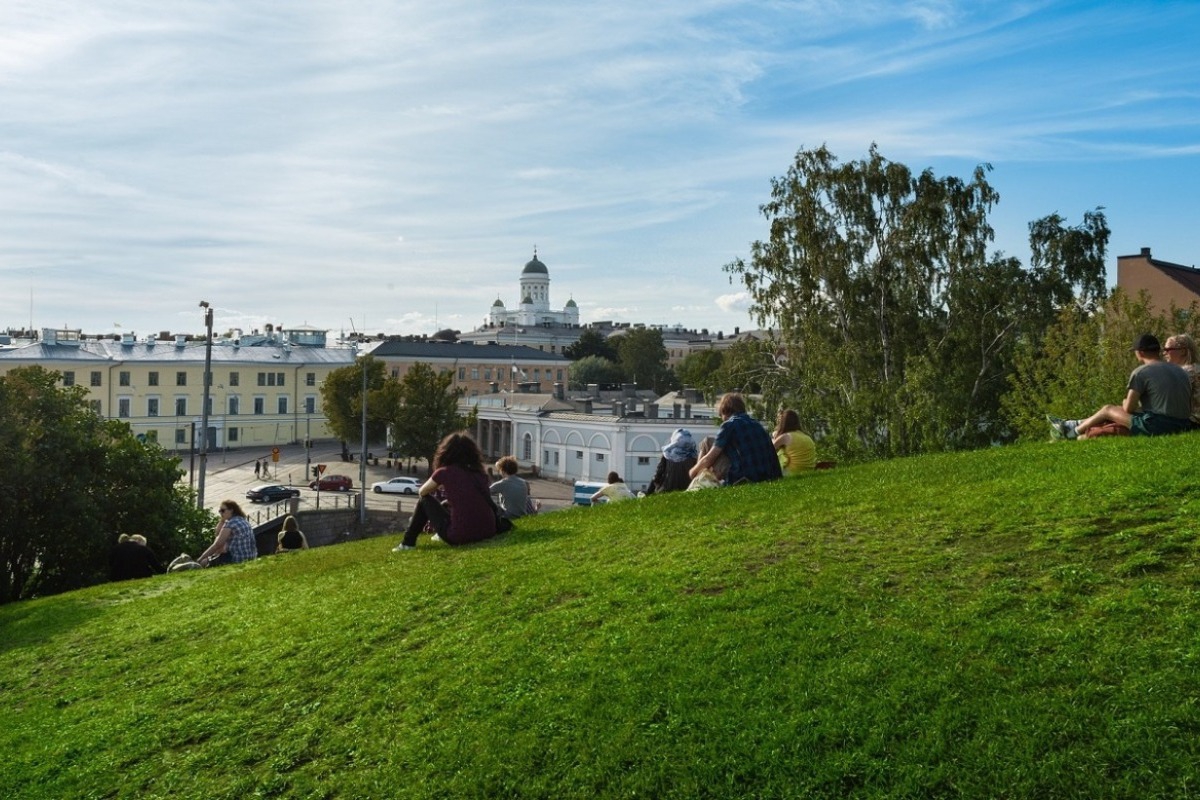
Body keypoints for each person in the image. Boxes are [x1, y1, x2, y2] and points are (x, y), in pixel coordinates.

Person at [1049, 333, 1192, 440]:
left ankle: (1070, 432)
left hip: (1158, 425)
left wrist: (1125, 402)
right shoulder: (1180, 370)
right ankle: (1073, 425)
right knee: (1117, 414)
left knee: (1108, 409)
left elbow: (1128, 408)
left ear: (1140, 352)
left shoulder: (1141, 372)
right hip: (1184, 425)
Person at [394, 432, 498, 551]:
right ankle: (438, 534)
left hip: (460, 536)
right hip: (488, 530)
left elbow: (422, 492)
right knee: (447, 503)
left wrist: (440, 484)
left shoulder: (445, 472)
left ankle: (408, 543)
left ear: (446, 452)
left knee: (424, 500)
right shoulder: (480, 473)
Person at [689, 392, 782, 485]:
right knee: (708, 441)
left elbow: (710, 457)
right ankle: (699, 480)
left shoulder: (728, 425)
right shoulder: (758, 425)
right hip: (767, 476)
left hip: (744, 477)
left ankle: (696, 481)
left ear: (724, 411)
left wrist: (692, 472)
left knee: (707, 442)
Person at [197, 500, 258, 566]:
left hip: (236, 559)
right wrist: (223, 519)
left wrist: (200, 559)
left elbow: (217, 544)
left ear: (231, 510)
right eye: (219, 511)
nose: (221, 513)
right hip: (251, 557)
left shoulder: (231, 523)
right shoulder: (242, 519)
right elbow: (218, 534)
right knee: (219, 552)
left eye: (223, 510)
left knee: (203, 562)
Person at [1163, 333, 1200, 428]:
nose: (1164, 353)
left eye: (1168, 349)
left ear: (1183, 351)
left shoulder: (1185, 372)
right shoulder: (1196, 368)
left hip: (1191, 422)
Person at [645, 428, 697, 495]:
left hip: (666, 490)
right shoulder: (693, 456)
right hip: (688, 489)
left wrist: (648, 493)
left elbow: (657, 476)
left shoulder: (667, 454)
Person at [773, 409, 817, 476]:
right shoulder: (806, 436)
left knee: (781, 452)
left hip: (792, 472)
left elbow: (769, 449)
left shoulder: (786, 437)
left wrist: (774, 437)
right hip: (809, 471)